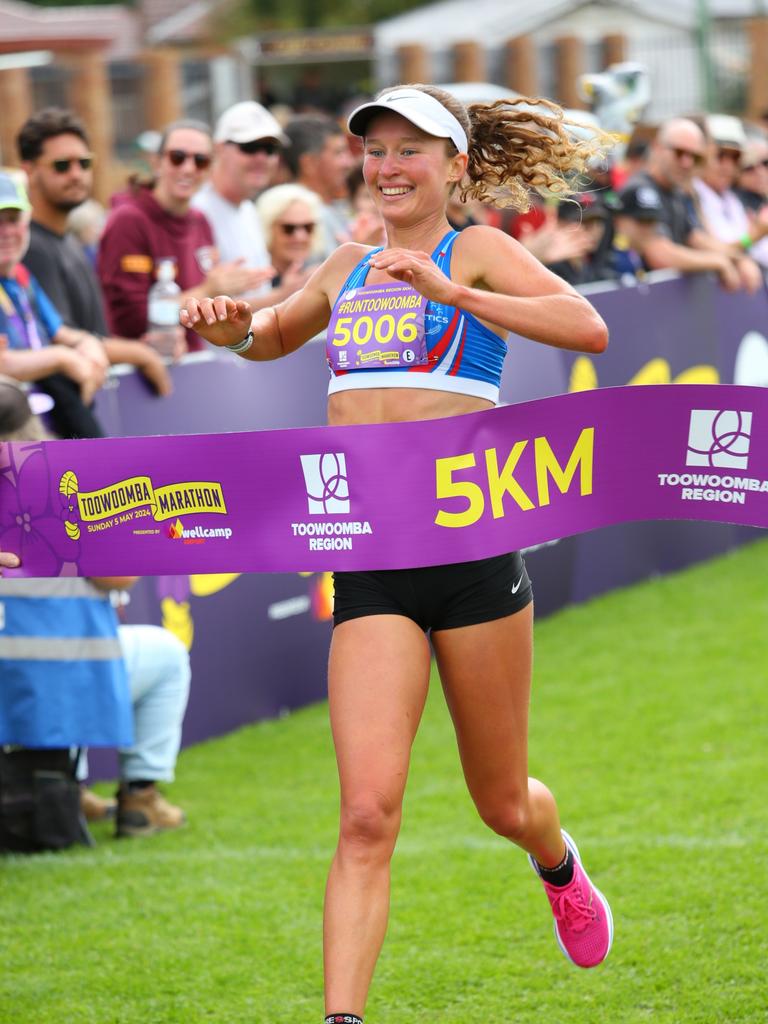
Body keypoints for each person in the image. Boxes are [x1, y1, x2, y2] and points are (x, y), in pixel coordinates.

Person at [181, 83, 613, 1021]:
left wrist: (456, 292)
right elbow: (276, 334)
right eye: (375, 150)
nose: (388, 166)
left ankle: (557, 861)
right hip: (371, 558)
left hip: (471, 557)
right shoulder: (346, 260)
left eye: (411, 149)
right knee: (367, 813)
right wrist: (236, 331)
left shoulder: (482, 250)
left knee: (500, 801)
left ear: (455, 166)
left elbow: (589, 328)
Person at [0, 377, 191, 837]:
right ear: (31, 423)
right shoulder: (65, 488)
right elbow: (119, 576)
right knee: (164, 655)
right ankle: (139, 796)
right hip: (64, 674)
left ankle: (73, 787)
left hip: (14, 685)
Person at [17, 108, 173, 396]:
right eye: (61, 166)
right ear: (29, 170)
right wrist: (140, 354)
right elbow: (62, 340)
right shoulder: (28, 247)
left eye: (84, 163)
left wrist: (147, 347)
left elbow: (94, 334)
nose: (77, 174)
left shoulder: (71, 242)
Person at [97, 119, 267, 352]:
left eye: (200, 161)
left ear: (210, 169)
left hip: (194, 364)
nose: (188, 168)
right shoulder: (128, 220)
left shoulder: (200, 221)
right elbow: (133, 318)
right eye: (177, 157)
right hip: (143, 374)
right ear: (157, 162)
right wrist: (208, 291)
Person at [0, 169, 107, 438]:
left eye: (13, 219)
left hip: (46, 429)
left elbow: (61, 332)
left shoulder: (23, 278)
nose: (6, 231)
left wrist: (88, 343)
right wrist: (62, 359)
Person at [617, 117, 761, 291]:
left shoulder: (676, 191)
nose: (687, 163)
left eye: (695, 157)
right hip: (628, 299)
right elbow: (659, 254)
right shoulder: (641, 190)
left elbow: (695, 237)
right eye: (679, 153)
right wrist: (718, 262)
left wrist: (738, 258)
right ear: (657, 148)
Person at [691, 115, 768, 270]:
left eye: (735, 157)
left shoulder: (731, 199)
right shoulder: (692, 196)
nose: (727, 165)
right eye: (721, 155)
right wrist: (755, 234)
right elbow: (721, 250)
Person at [283, 114, 357, 258]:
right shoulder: (302, 218)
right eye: (339, 153)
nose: (349, 162)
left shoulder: (335, 207)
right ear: (308, 163)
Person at [255, 183, 323, 287]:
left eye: (308, 227)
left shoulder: (316, 275)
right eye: (289, 228)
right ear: (267, 228)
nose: (301, 237)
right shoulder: (254, 279)